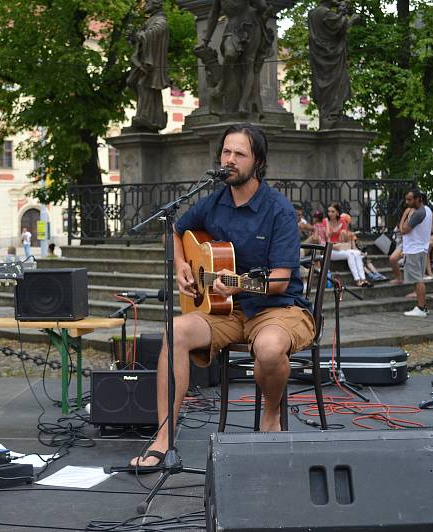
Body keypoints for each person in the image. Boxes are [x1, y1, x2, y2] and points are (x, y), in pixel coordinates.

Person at [129, 124, 314, 469]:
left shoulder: (279, 211)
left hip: (278, 308)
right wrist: (182, 264)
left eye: (239, 154)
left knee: (270, 348)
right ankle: (163, 440)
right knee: (175, 330)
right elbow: (176, 228)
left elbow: (278, 281)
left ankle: (271, 416)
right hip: (225, 310)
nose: (230, 160)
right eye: (226, 152)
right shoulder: (213, 202)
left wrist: (239, 284)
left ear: (257, 161)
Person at [308, 0, 359, 129]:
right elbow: (340, 28)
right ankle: (332, 116)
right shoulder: (325, 13)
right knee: (337, 83)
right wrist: (352, 19)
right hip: (331, 58)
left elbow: (334, 26)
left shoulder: (312, 13)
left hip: (320, 58)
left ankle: (328, 115)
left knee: (326, 87)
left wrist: (340, 13)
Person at [127, 0, 169, 132]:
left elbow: (153, 34)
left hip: (153, 64)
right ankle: (148, 116)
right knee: (133, 83)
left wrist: (140, 35)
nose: (145, 6)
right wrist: (134, 37)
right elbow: (143, 36)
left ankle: (148, 117)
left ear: (156, 4)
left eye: (147, 3)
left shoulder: (161, 21)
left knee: (144, 85)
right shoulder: (151, 20)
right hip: (144, 61)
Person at [323, 202, 371, 287]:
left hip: (340, 247)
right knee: (350, 255)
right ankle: (357, 280)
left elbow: (345, 239)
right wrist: (333, 230)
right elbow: (327, 238)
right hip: (329, 249)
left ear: (337, 212)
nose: (330, 214)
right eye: (329, 211)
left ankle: (363, 279)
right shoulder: (325, 221)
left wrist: (343, 234)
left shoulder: (342, 221)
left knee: (356, 253)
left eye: (332, 211)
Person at [401, 189, 433, 317]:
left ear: (418, 199)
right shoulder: (428, 210)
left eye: (410, 199)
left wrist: (404, 215)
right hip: (421, 248)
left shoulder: (418, 213)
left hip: (414, 249)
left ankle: (421, 308)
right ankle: (422, 307)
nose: (407, 202)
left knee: (418, 280)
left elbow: (404, 229)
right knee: (417, 279)